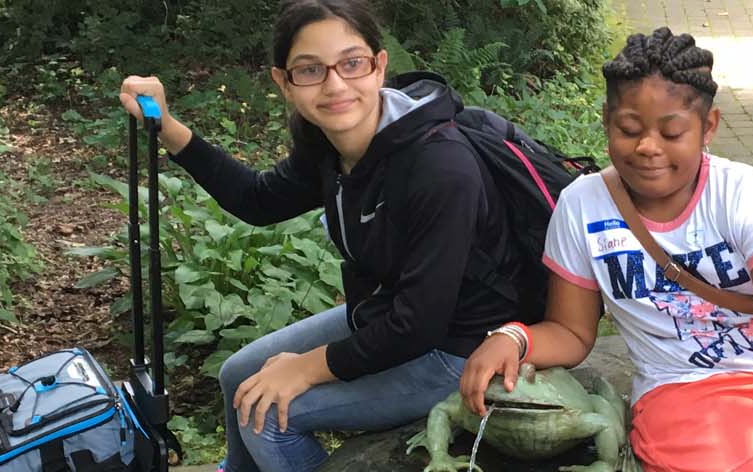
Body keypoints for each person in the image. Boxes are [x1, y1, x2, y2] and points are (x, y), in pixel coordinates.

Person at [458, 27, 753, 472]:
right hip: (687, 390)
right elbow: (572, 331)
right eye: (628, 129)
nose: (648, 147)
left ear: (708, 126)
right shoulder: (581, 205)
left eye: (671, 133)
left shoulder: (744, 193)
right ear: (606, 120)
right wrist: (513, 338)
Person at [114, 0, 539, 470]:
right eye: (310, 70)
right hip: (386, 314)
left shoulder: (440, 168)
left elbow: (418, 326)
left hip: (458, 349)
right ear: (284, 82)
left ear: (378, 66)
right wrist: (167, 127)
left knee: (267, 415)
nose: (335, 85)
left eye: (352, 63)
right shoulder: (328, 145)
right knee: (239, 376)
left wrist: (306, 367)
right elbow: (258, 201)